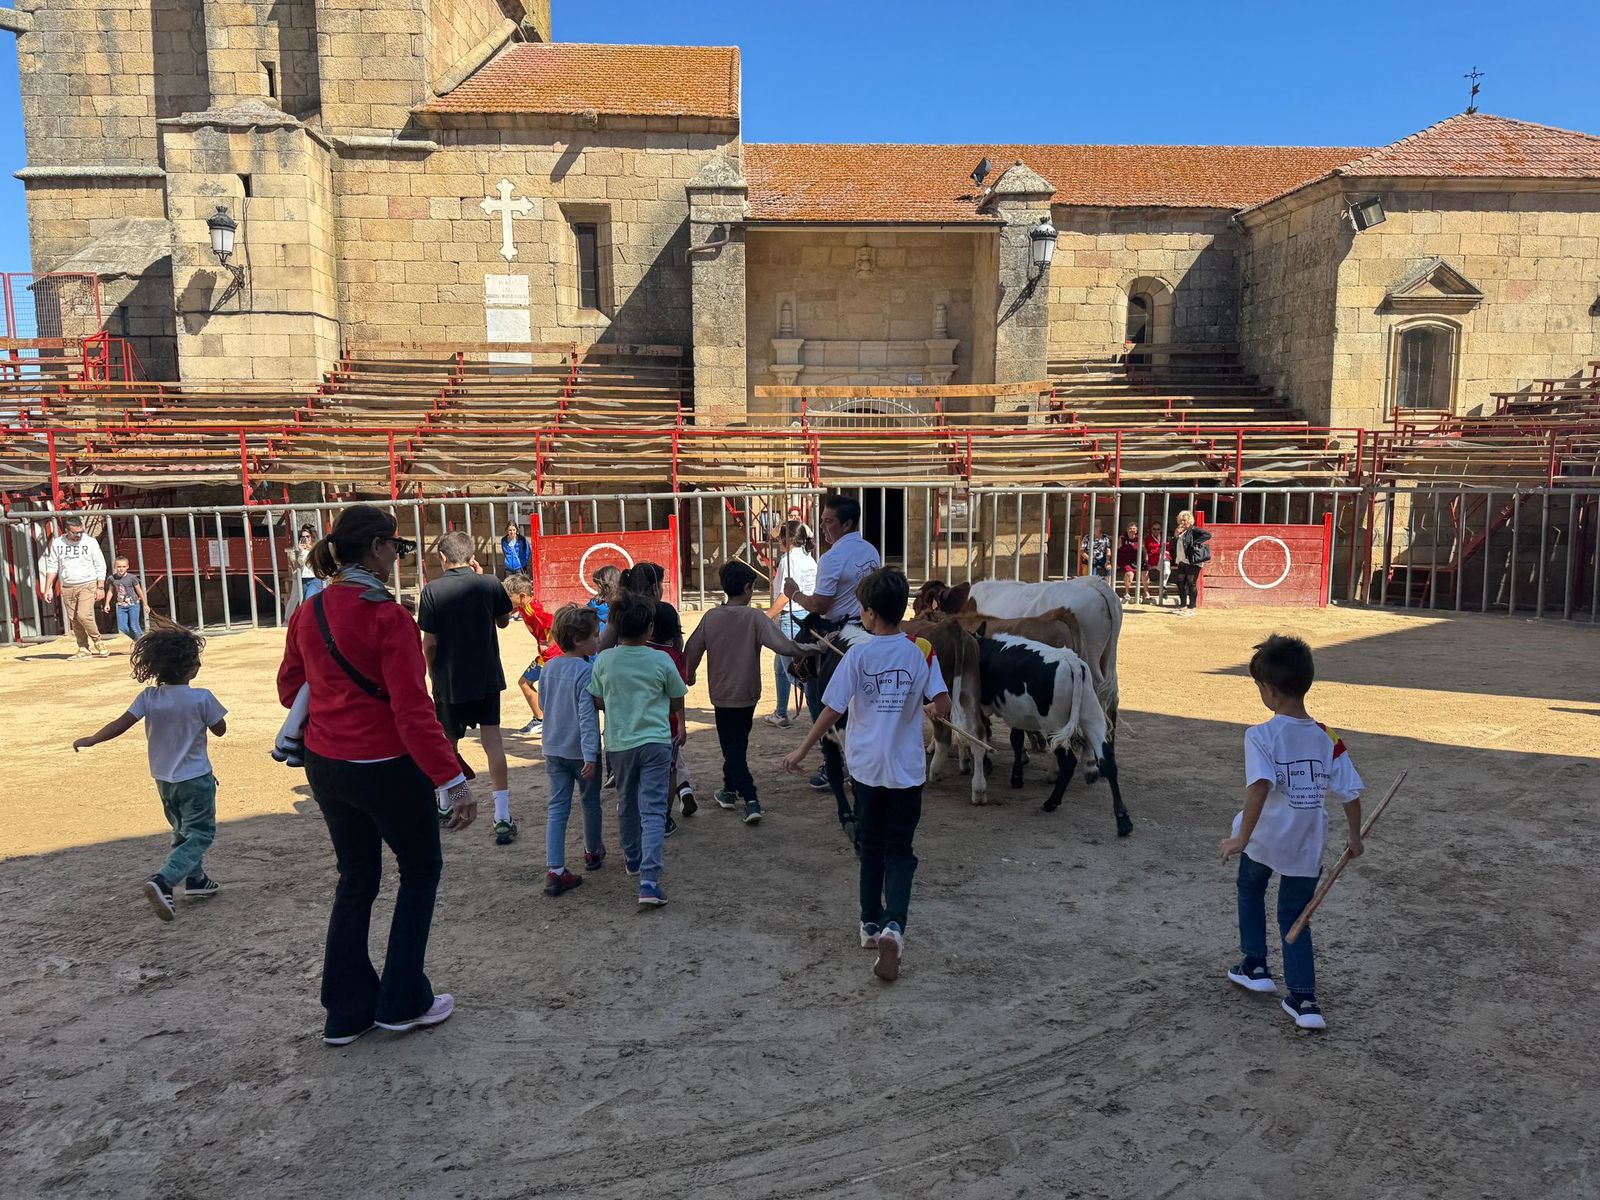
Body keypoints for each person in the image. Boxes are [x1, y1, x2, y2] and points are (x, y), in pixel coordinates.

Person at [277, 504, 474, 1046]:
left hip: (327, 763)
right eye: (396, 547)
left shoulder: (310, 611)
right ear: (379, 547)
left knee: (356, 879)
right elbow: (413, 711)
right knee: (419, 870)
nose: (399, 556)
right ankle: (403, 998)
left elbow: (291, 689)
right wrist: (450, 779)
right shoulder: (387, 616)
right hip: (386, 765)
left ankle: (346, 1011)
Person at [783, 568, 950, 983]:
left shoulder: (857, 655)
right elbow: (944, 701)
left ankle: (870, 925)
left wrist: (802, 749)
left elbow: (832, 709)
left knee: (870, 845)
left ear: (871, 614)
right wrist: (933, 710)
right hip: (907, 772)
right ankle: (895, 925)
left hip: (866, 770)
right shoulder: (920, 651)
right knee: (901, 851)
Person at [1220, 634, 1365, 1031]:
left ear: (1268, 690)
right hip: (1306, 843)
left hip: (1265, 838)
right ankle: (1304, 999)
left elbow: (1259, 787)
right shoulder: (1327, 736)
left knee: (1250, 889)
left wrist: (1241, 839)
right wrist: (1354, 839)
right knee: (1296, 915)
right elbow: (1349, 793)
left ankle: (1255, 964)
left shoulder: (1260, 735)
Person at [72, 625, 227, 921]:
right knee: (201, 833)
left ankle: (195, 880)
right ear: (192, 668)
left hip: (164, 781)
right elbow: (220, 730)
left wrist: (93, 739)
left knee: (182, 830)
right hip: (196, 778)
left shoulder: (148, 697)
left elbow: (120, 723)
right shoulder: (202, 698)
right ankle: (164, 880)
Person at [686, 561, 815, 825]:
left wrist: (688, 674)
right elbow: (784, 646)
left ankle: (745, 795)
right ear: (747, 588)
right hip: (747, 695)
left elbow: (693, 648)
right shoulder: (755, 618)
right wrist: (812, 648)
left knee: (732, 747)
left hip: (722, 695)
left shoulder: (711, 617)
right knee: (737, 745)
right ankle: (735, 792)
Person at [782, 493, 881, 818]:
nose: (823, 528)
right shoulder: (869, 550)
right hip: (871, 629)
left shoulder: (833, 557)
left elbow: (820, 606)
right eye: (822, 521)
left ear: (847, 523)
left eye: (829, 522)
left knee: (814, 689)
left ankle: (831, 761)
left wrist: (793, 592)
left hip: (837, 632)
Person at [588, 593, 687, 908]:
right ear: (650, 629)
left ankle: (632, 858)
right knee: (654, 809)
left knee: (626, 803)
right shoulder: (661, 659)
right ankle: (649, 879)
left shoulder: (605, 660)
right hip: (656, 740)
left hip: (619, 742)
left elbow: (598, 699)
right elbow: (675, 696)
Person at [420, 531, 516, 844]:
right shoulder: (489, 583)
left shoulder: (432, 590)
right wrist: (482, 577)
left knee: (448, 741)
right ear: (471, 555)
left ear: (442, 558)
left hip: (449, 677)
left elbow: (430, 641)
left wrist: (430, 669)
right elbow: (503, 621)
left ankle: (445, 804)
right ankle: (502, 816)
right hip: (486, 674)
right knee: (493, 741)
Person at [538, 605, 605, 897]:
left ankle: (555, 868)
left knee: (557, 808)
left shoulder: (550, 666)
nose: (598, 640)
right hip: (580, 751)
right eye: (595, 636)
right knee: (590, 803)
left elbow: (543, 704)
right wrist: (591, 755)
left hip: (553, 747)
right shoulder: (585, 671)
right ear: (579, 640)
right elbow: (587, 717)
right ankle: (592, 851)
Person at [763, 519, 817, 728]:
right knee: (780, 667)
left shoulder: (788, 560)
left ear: (787, 540)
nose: (778, 542)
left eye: (780, 539)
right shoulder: (809, 559)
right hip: (806, 618)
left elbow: (785, 597)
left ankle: (824, 710)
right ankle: (781, 712)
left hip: (790, 619)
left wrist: (766, 616)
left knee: (796, 674)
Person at [40, 515, 108, 659]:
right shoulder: (57, 543)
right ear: (66, 530)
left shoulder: (90, 542)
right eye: (75, 532)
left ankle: (98, 641)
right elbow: (52, 566)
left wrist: (100, 587)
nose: (78, 535)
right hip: (68, 586)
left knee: (84, 615)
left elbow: (100, 565)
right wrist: (48, 588)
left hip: (87, 583)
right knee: (74, 619)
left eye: (80, 532)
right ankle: (83, 647)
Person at [503, 573, 557, 736]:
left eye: (509, 597)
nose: (508, 600)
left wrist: (549, 644)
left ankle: (541, 719)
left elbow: (555, 620)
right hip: (548, 655)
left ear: (521, 596)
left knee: (525, 682)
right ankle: (542, 719)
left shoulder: (533, 610)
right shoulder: (525, 605)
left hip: (551, 656)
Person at [1171, 510, 1212, 614]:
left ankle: (1192, 607)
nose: (1182, 523)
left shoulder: (1193, 530)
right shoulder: (1180, 531)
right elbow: (1174, 545)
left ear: (1189, 521)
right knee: (1180, 581)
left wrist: (1195, 543)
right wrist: (1176, 535)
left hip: (1192, 561)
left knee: (1191, 582)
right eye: (1180, 520)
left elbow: (1207, 535)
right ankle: (1183, 605)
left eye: (1184, 520)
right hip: (1182, 560)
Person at [103, 555, 148, 640]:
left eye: (123, 567)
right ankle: (136, 639)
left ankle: (141, 640)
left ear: (127, 567)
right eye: (119, 567)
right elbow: (110, 591)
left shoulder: (132, 578)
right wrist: (107, 603)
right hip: (121, 606)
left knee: (134, 625)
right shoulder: (112, 578)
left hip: (133, 604)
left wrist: (145, 604)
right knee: (122, 627)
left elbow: (139, 591)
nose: (121, 569)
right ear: (115, 567)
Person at [285, 523, 321, 617]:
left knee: (309, 599)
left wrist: (310, 550)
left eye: (308, 536)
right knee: (300, 600)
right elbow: (296, 564)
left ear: (312, 536)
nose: (306, 539)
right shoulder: (298, 548)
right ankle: (288, 619)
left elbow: (318, 561)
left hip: (314, 578)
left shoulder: (317, 547)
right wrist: (300, 552)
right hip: (301, 578)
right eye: (303, 536)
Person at [1143, 519, 1171, 604]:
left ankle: (1163, 588)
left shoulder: (1164, 537)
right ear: (1151, 530)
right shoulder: (1148, 538)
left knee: (1167, 571)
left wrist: (1163, 552)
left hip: (1163, 558)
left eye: (1158, 529)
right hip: (1152, 560)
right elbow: (1146, 550)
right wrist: (1156, 551)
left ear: (1161, 529)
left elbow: (1168, 548)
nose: (1156, 531)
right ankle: (1162, 589)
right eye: (1154, 529)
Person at [1079, 517, 1111, 581]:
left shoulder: (1105, 537)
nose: (1095, 528)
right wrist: (1089, 558)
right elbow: (1081, 551)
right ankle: (1094, 583)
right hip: (1090, 557)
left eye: (1097, 526)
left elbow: (1108, 550)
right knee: (1093, 568)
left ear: (1100, 527)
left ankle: (1108, 585)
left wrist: (1107, 561)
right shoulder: (1087, 537)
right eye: (1093, 526)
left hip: (1101, 557)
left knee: (1109, 568)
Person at [1114, 522, 1140, 601]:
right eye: (1130, 529)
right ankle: (1126, 592)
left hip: (1135, 561)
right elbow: (1117, 548)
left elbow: (1143, 549)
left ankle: (1146, 592)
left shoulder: (1139, 538)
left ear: (1137, 530)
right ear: (1127, 530)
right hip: (1124, 560)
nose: (1132, 531)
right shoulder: (1122, 538)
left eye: (1134, 529)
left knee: (1145, 571)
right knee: (1129, 573)